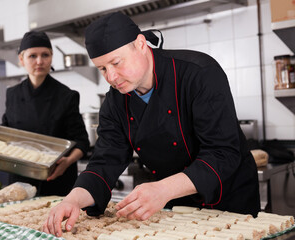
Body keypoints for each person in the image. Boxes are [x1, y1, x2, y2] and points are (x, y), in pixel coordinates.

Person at [43, 12, 260, 236]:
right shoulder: (115, 102)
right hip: (174, 208)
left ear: (140, 44)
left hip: (228, 202)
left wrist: (164, 189)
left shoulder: (199, 73)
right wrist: (73, 200)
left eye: (116, 63)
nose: (111, 77)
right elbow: (104, 162)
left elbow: (223, 152)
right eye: (102, 69)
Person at [1, 31, 90, 197]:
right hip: (19, 181)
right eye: (32, 56)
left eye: (45, 55)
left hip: (55, 179)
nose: (39, 61)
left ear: (51, 57)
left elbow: (82, 142)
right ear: (21, 59)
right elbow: (5, 132)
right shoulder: (12, 94)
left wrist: (68, 162)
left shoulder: (66, 96)